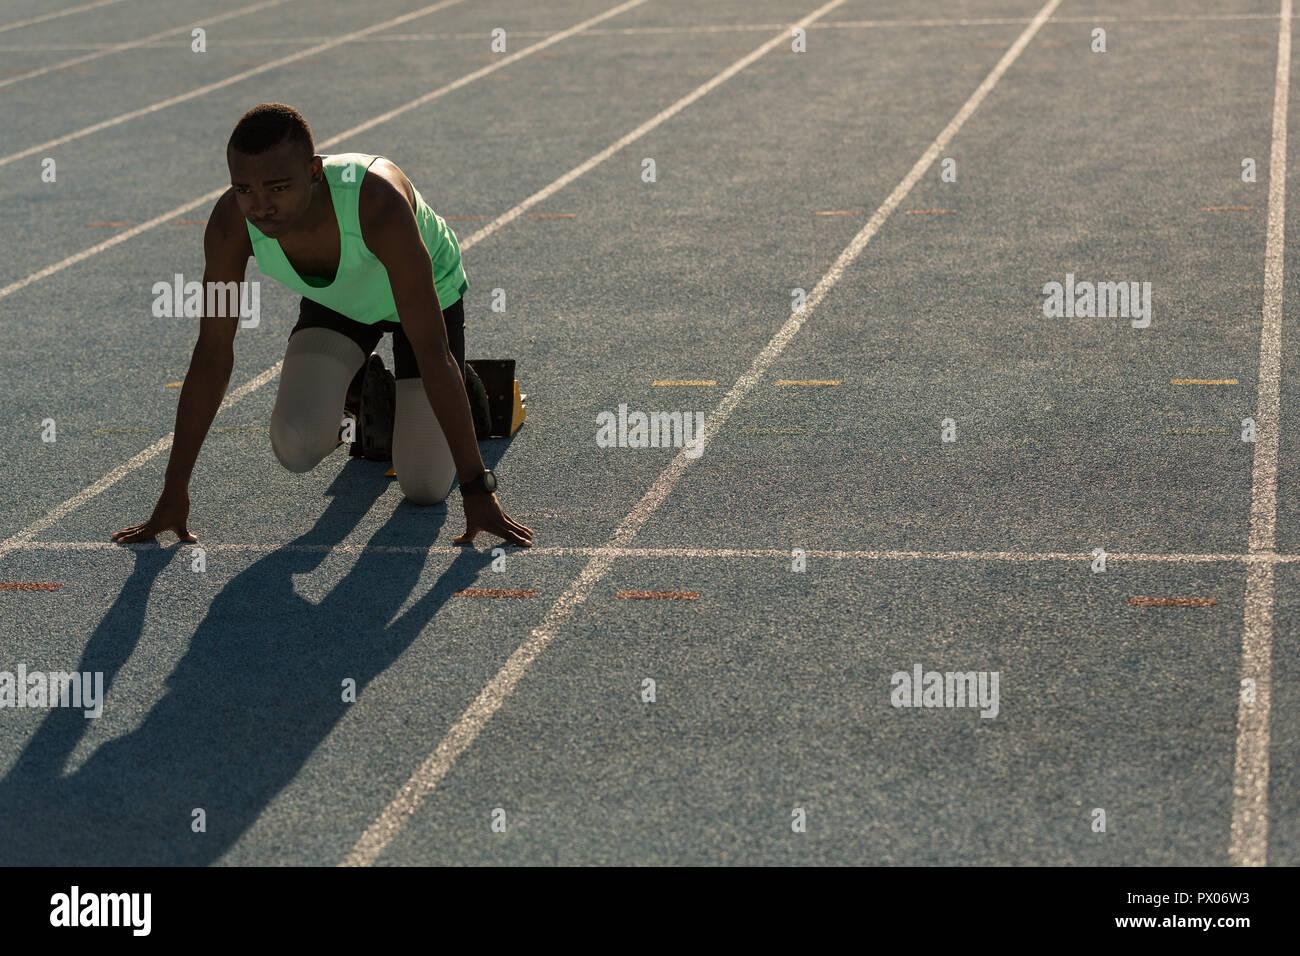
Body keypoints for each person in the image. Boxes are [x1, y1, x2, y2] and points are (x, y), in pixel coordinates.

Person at [112, 102, 532, 548]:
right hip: (338, 303)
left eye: (277, 187)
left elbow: (432, 350)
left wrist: (476, 487)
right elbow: (214, 352)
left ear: (315, 172)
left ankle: (469, 387)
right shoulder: (229, 225)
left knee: (425, 486)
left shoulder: (376, 202)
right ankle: (367, 387)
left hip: (420, 300)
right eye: (244, 189)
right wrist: (174, 490)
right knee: (295, 444)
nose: (260, 206)